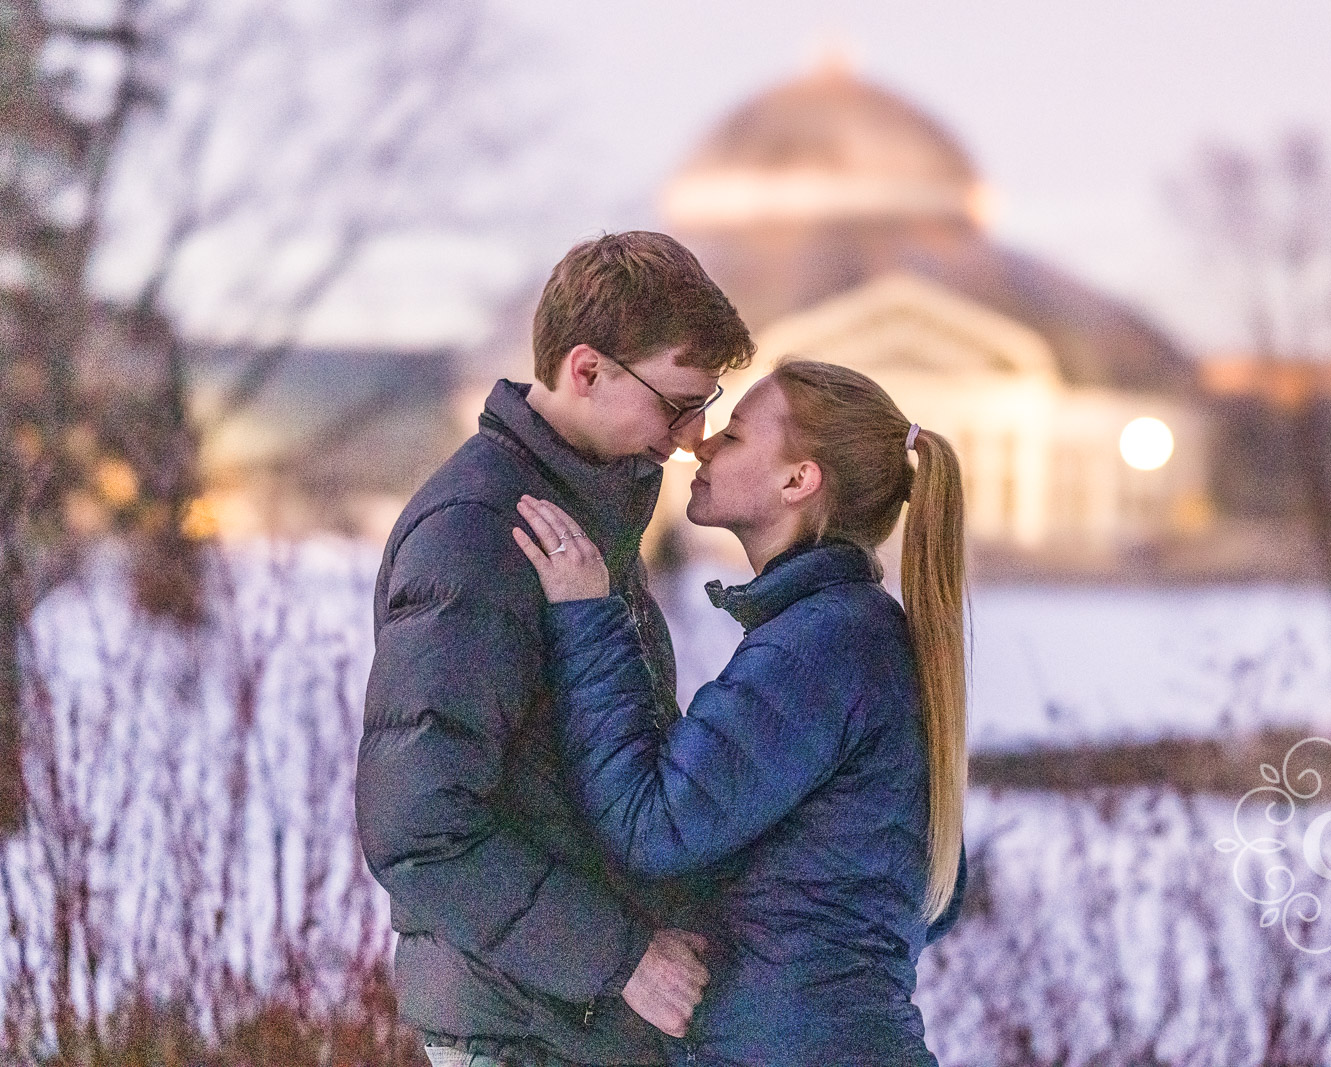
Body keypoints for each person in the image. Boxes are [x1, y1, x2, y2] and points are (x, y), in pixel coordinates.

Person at [355, 232, 755, 1067]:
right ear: (587, 369)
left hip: (568, 1024)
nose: (692, 434)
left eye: (706, 403)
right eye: (677, 401)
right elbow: (419, 830)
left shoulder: (583, 513)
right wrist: (621, 959)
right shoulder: (480, 533)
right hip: (519, 1030)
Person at [513, 359, 968, 1066]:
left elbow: (653, 825)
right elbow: (931, 893)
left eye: (736, 434)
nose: (703, 444)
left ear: (798, 480)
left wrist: (587, 619)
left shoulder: (819, 648)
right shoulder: (855, 635)